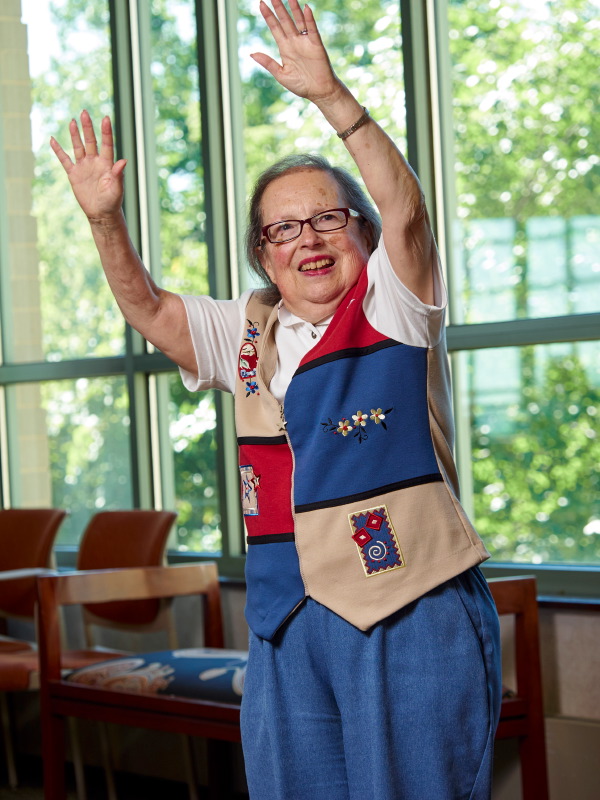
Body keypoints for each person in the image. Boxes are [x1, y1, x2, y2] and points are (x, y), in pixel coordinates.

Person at [51, 1, 501, 798]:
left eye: (328, 219)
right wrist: (105, 222)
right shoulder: (247, 329)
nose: (309, 240)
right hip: (286, 619)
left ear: (363, 236)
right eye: (283, 230)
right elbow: (149, 309)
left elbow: (407, 210)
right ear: (264, 255)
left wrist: (333, 99)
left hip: (408, 603)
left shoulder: (396, 306)